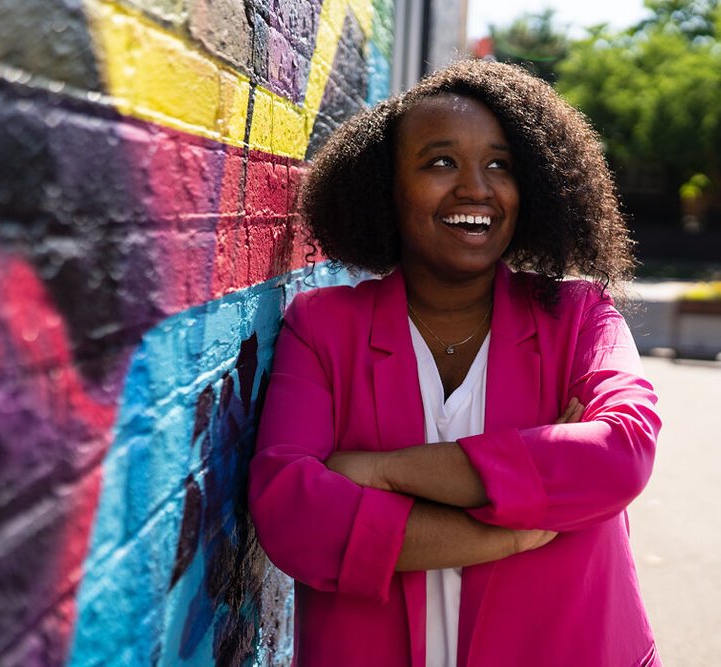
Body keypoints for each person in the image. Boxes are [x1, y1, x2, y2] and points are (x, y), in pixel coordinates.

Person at [249, 59, 662, 667]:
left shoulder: (578, 317)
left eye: (501, 165)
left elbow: (622, 453)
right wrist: (514, 530)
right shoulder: (323, 327)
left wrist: (383, 473)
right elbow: (291, 513)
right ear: (386, 188)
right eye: (441, 162)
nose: (476, 188)